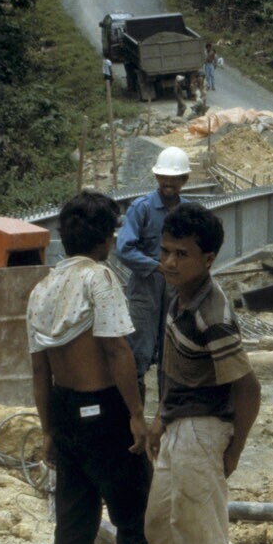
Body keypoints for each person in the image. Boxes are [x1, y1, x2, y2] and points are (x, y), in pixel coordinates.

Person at [128, 203, 260, 544]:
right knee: (162, 524)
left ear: (207, 259)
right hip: (178, 426)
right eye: (165, 251)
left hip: (204, 430)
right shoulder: (177, 297)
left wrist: (233, 451)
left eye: (181, 254)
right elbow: (174, 370)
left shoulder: (211, 314)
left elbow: (248, 389)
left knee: (203, 537)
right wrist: (160, 417)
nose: (169, 262)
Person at [28, 192, 163, 544]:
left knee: (74, 513)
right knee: (134, 511)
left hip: (65, 410)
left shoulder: (42, 288)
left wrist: (48, 429)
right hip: (105, 408)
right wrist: (136, 414)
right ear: (107, 238)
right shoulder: (99, 278)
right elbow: (116, 349)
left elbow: (39, 369)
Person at [118, 146, 191, 403]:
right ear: (157, 177)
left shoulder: (189, 212)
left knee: (172, 352)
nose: (168, 183)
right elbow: (124, 249)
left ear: (184, 180)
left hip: (177, 289)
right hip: (145, 287)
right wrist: (157, 267)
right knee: (138, 349)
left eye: (174, 179)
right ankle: (133, 413)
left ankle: (167, 411)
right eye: (164, 178)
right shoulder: (142, 208)